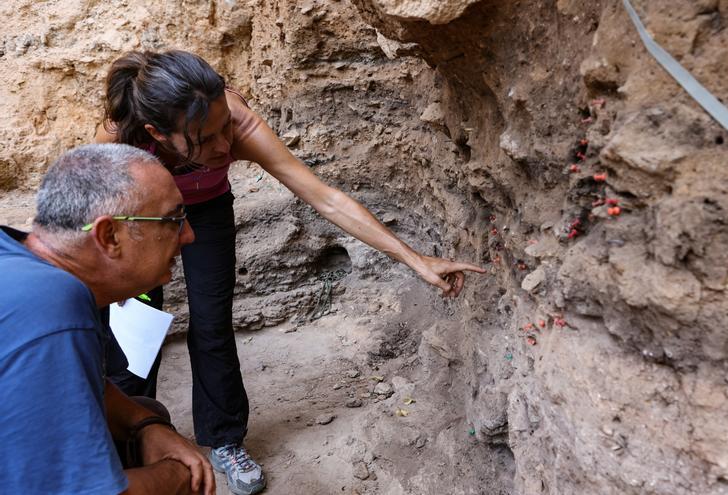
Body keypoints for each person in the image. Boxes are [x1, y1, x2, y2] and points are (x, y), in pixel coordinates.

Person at [95, 49, 485, 494]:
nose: (225, 147)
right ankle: (129, 438)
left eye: (225, 126)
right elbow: (91, 211)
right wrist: (114, 274)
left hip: (207, 211)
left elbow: (325, 198)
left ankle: (224, 438)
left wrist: (416, 259)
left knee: (212, 321)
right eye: (203, 140)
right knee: (133, 325)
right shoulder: (119, 139)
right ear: (156, 134)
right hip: (142, 219)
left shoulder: (236, 124)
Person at [0, 144, 214, 494]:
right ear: (109, 236)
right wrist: (180, 476)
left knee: (147, 409)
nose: (188, 235)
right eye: (173, 219)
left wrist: (143, 424)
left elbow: (86, 383)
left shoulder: (18, 253)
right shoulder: (54, 308)